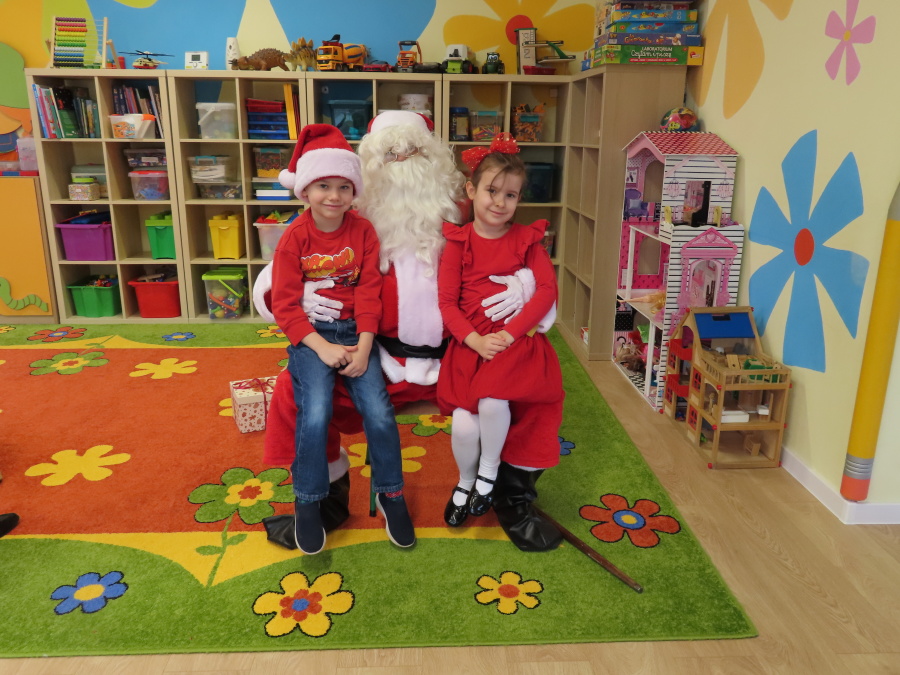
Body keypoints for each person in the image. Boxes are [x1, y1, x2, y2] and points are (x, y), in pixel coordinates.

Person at [272, 123, 414, 554]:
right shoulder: (294, 238)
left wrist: (365, 346)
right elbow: (285, 306)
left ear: (354, 191)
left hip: (357, 335)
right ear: (305, 189)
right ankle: (308, 501)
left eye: (343, 187)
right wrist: (323, 347)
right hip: (312, 338)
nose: (333, 196)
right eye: (323, 186)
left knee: (380, 414)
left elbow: (370, 291)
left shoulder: (363, 231)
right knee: (315, 413)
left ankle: (391, 495)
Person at [437, 133, 565, 552]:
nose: (500, 202)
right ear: (471, 190)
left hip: (513, 346)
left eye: (510, 195)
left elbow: (546, 290)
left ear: (519, 199)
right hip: (470, 347)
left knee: (494, 402)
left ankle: (488, 475)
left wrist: (510, 333)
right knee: (463, 423)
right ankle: (465, 481)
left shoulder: (526, 240)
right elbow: (447, 302)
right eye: (492, 191)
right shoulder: (458, 242)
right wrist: (474, 339)